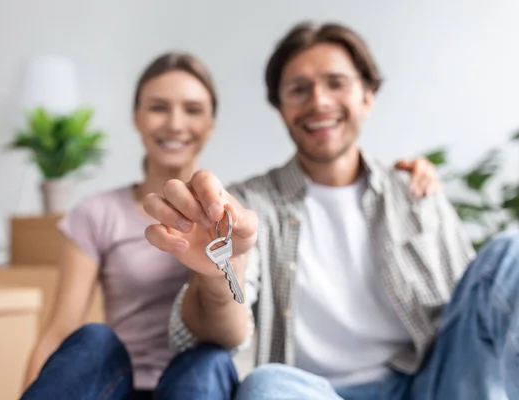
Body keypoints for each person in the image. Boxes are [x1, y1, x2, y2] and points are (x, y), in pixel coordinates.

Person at [143, 21, 519, 399]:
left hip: (434, 383)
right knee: (267, 386)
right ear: (281, 108)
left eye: (336, 83)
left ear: (367, 96)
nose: (319, 101)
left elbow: (483, 305)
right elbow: (219, 335)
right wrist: (215, 277)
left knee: (511, 254)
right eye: (299, 89)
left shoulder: (414, 190)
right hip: (315, 392)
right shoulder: (245, 207)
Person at [20, 52, 239, 400]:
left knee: (207, 359)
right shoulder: (97, 212)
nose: (175, 123)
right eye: (158, 107)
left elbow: (239, 329)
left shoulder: (230, 219)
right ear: (137, 117)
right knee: (94, 338)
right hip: (118, 386)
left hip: (197, 387)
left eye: (193, 109)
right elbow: (60, 329)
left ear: (211, 124)